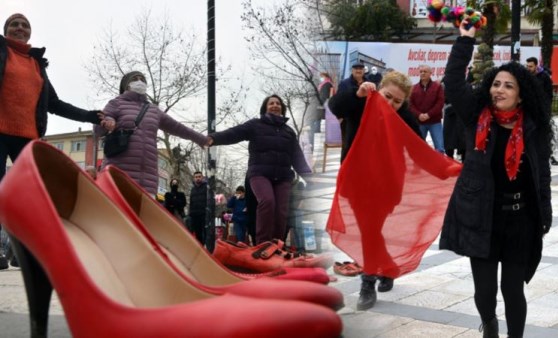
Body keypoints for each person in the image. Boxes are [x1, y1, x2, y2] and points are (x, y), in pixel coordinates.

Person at [440, 22, 553, 338]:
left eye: (508, 86)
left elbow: (541, 175)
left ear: (520, 96)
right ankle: (488, 322)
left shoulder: (533, 129)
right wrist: (465, 40)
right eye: (496, 84)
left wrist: (544, 215)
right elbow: (452, 83)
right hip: (482, 216)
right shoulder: (477, 118)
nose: (499, 90)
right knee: (485, 291)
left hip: (520, 220)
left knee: (513, 289)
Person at [0, 13, 112, 270]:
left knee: (30, 197)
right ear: (6, 30)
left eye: (24, 25)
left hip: (27, 137)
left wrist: (88, 115)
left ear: (29, 32)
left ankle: (23, 253)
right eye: (14, 24)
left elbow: (54, 103)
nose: (20, 28)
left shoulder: (36, 64)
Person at [329, 71, 423, 311]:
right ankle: (387, 267)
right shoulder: (360, 104)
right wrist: (356, 93)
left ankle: (367, 283)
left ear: (404, 103)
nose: (391, 103)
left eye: (397, 101)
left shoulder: (404, 117)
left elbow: (419, 149)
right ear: (379, 89)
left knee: (370, 230)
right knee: (369, 230)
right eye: (387, 96)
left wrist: (448, 169)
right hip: (357, 182)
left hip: (387, 185)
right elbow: (335, 106)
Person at [208, 94, 312, 245]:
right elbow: (234, 133)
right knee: (267, 201)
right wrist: (213, 138)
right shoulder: (255, 125)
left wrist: (309, 177)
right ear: (265, 108)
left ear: (282, 108)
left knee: (282, 210)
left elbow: (297, 157)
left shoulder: (289, 132)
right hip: (259, 174)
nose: (275, 105)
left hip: (283, 176)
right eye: (271, 103)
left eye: (278, 103)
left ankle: (277, 245)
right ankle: (262, 244)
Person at [95, 71, 208, 196]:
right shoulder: (116, 103)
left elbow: (177, 127)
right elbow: (98, 128)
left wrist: (201, 139)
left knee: (142, 216)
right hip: (117, 176)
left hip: (147, 180)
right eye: (135, 79)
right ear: (127, 85)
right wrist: (107, 122)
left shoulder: (153, 110)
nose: (140, 82)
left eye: (143, 80)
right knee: (116, 215)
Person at [332, 62, 369, 161]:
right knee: (348, 147)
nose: (358, 70)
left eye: (360, 69)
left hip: (365, 121)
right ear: (352, 70)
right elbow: (338, 101)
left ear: (364, 71)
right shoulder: (345, 84)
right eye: (356, 69)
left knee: (363, 148)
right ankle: (344, 170)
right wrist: (339, 116)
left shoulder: (369, 83)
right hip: (348, 120)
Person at [409, 65, 445, 153]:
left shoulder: (437, 87)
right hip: (419, 122)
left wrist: (429, 114)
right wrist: (418, 114)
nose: (422, 73)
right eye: (421, 71)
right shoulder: (413, 88)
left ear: (430, 73)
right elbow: (410, 104)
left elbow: (440, 103)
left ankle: (439, 166)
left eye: (425, 71)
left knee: (439, 148)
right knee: (417, 147)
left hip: (434, 122)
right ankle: (418, 165)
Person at [188, 171, 208, 245]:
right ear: (194, 178)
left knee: (205, 232)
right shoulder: (193, 189)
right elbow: (191, 201)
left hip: (204, 213)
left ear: (202, 178)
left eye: (199, 177)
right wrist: (190, 212)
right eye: (196, 177)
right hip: (194, 214)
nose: (198, 178)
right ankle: (200, 247)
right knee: (197, 232)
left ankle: (205, 247)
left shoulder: (206, 187)